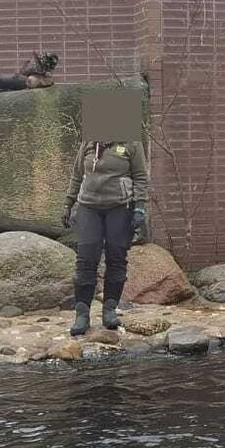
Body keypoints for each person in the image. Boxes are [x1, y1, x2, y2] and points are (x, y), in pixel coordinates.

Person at [64, 135, 149, 335]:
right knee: (86, 257)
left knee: (116, 256)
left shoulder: (131, 142)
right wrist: (68, 203)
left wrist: (140, 209)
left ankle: (109, 310)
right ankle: (82, 314)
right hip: (88, 206)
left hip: (120, 206)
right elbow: (77, 174)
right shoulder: (88, 142)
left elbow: (140, 177)